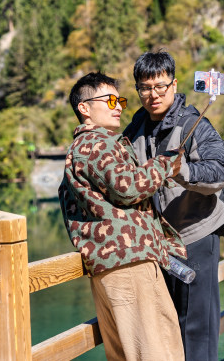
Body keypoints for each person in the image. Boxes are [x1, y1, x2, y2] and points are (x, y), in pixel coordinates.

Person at [58, 72, 187, 360]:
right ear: (84, 108)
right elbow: (127, 187)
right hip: (130, 263)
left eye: (121, 100)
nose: (119, 106)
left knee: (126, 352)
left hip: (113, 265)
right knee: (157, 349)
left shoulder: (83, 148)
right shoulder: (97, 143)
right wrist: (165, 164)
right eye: (111, 100)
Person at [123, 50, 224, 361]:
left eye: (160, 86)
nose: (153, 94)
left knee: (197, 325)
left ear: (173, 85)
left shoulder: (195, 124)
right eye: (145, 88)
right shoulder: (135, 130)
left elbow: (219, 172)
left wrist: (183, 171)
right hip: (157, 243)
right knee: (163, 323)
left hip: (194, 235)